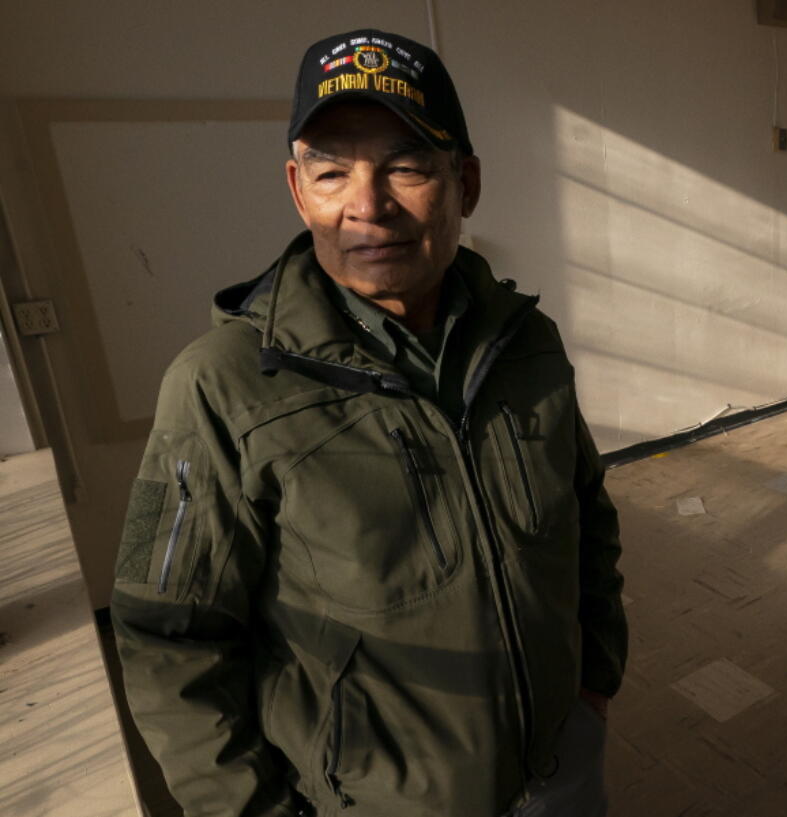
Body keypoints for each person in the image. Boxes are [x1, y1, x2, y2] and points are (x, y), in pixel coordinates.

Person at [111, 28, 628, 817]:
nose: (367, 205)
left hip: (562, 770)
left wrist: (595, 678)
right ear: (296, 189)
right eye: (330, 171)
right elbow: (165, 644)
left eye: (407, 167)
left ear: (468, 184)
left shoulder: (527, 344)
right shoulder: (219, 387)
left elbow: (586, 512)